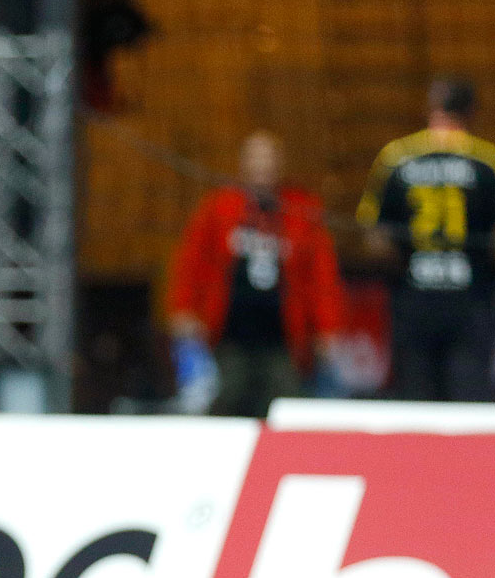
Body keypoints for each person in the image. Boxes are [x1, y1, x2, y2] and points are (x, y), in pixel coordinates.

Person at [165, 130, 346, 417]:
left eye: (269, 160)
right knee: (226, 398)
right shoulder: (220, 207)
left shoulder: (301, 209)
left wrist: (328, 329)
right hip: (229, 335)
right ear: (243, 164)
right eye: (256, 160)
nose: (263, 168)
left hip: (283, 337)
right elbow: (192, 263)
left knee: (287, 402)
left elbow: (321, 277)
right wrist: (183, 310)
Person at [358, 76, 495, 401]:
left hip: (413, 302)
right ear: (472, 111)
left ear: (431, 106)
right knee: (468, 407)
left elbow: (373, 238)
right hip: (470, 303)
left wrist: (408, 260)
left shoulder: (398, 157)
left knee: (416, 407)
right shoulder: (487, 162)